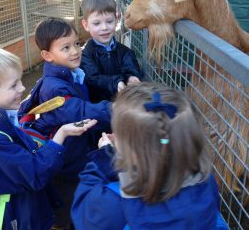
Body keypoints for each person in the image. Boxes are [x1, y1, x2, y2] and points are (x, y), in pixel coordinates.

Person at [0, 46, 97, 230]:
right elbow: (36, 173)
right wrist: (61, 135)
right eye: (13, 85)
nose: (22, 87)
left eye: (19, 81)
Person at [71, 82, 222, 230]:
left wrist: (104, 160)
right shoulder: (205, 180)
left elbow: (83, 211)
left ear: (129, 149)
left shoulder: (111, 202)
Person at [18, 17, 111, 229]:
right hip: (67, 162)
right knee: (67, 206)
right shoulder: (54, 87)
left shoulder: (69, 75)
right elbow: (78, 111)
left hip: (74, 154)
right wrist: (116, 110)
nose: (75, 51)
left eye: (77, 44)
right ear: (47, 55)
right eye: (66, 47)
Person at [80, 0, 142, 102]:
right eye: (97, 23)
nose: (104, 28)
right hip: (98, 107)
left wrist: (131, 77)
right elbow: (92, 78)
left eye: (109, 21)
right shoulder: (86, 55)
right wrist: (116, 82)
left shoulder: (125, 52)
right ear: (86, 25)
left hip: (123, 104)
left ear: (117, 19)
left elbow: (131, 68)